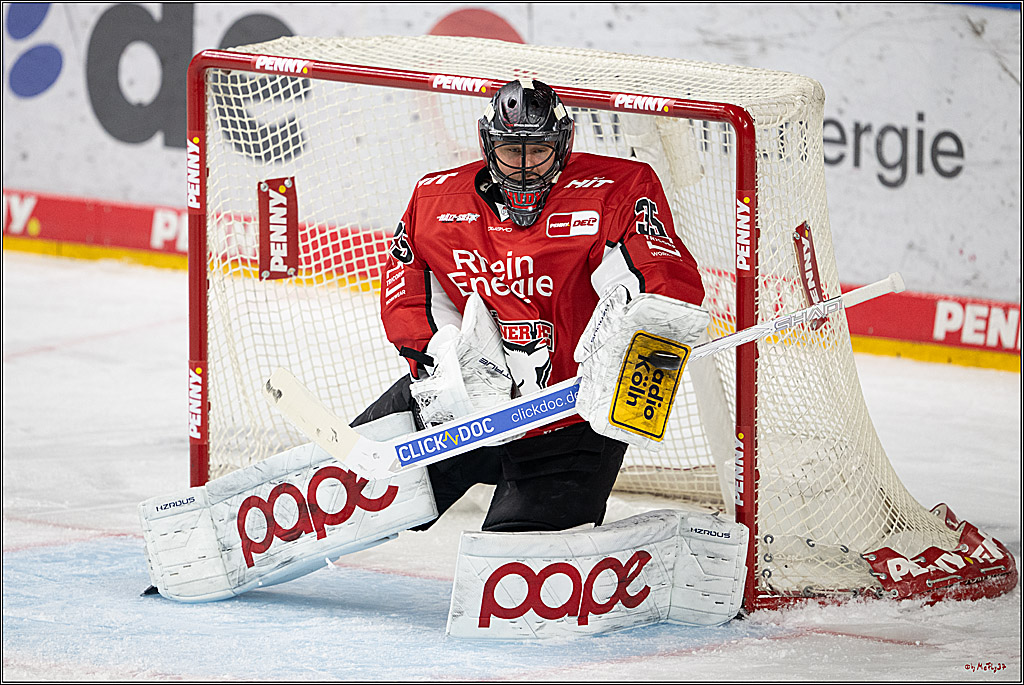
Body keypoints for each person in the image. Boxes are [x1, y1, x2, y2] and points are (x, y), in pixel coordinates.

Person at [351, 79, 707, 534]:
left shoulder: (615, 189)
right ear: (487, 144)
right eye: (510, 151)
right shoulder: (435, 200)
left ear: (562, 145)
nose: (523, 166)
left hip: (568, 424)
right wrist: (440, 361)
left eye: (537, 150)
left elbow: (663, 280)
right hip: (462, 411)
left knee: (515, 572)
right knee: (338, 492)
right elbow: (408, 290)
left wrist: (635, 354)